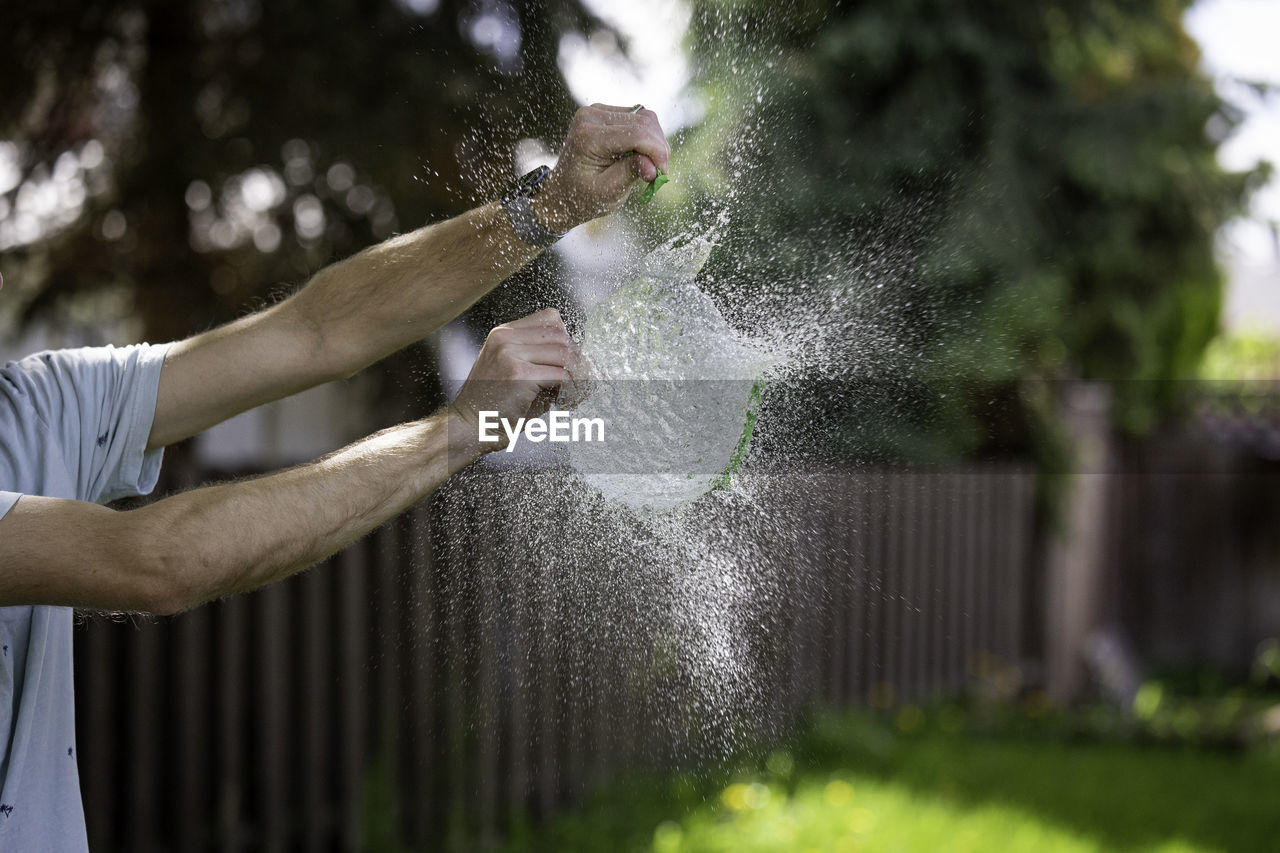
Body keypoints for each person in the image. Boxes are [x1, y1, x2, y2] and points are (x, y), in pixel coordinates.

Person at [0, 103, 669, 849]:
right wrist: (457, 432)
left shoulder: (30, 406)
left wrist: (553, 203)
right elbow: (155, 562)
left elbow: (317, 329)